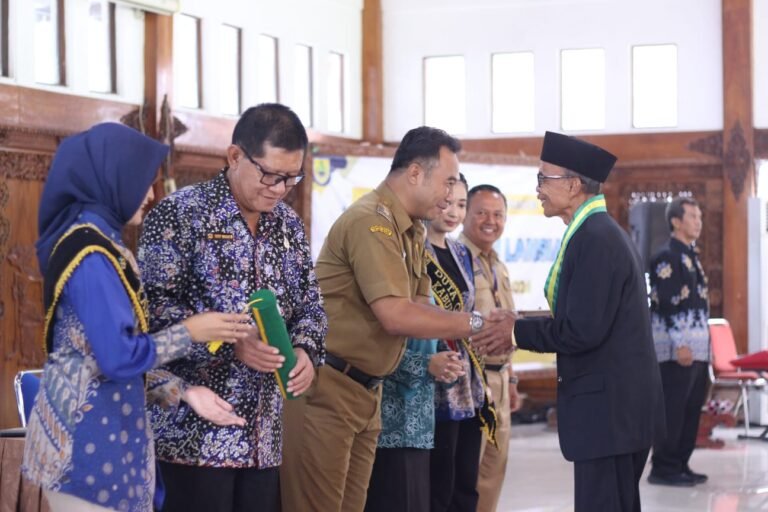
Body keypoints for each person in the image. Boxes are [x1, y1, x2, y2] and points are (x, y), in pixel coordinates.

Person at [280, 126, 513, 512]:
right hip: (328, 389)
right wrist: (478, 324)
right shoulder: (370, 222)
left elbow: (422, 307)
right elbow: (395, 314)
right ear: (416, 174)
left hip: (367, 393)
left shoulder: (409, 232)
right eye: (448, 182)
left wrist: (472, 324)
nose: (450, 196)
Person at [22, 123, 251, 512]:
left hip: (111, 444)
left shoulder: (106, 244)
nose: (149, 195)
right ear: (113, 179)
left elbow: (109, 353)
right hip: (85, 456)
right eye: (143, 182)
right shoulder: (90, 255)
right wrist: (190, 332)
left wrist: (183, 391)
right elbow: (117, 357)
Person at [137, 104, 328, 512]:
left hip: (265, 436)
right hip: (195, 435)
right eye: (270, 175)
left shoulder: (288, 226)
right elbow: (151, 315)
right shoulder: (179, 214)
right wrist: (229, 343)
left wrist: (306, 351)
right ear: (235, 156)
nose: (279, 188)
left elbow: (311, 305)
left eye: (291, 177)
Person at [477, 131, 664, 512]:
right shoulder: (597, 232)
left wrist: (513, 330)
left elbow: (582, 330)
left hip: (609, 414)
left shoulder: (595, 238)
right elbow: (584, 315)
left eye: (545, 179)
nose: (539, 189)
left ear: (575, 185)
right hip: (616, 411)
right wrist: (520, 321)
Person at [428, 175, 497, 512]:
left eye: (460, 205)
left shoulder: (460, 251)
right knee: (438, 480)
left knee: (465, 478)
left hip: (468, 377)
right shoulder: (411, 249)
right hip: (432, 374)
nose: (452, 212)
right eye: (446, 202)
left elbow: (469, 312)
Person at [459, 184, 521, 512]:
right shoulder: (455, 259)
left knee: (494, 472)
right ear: (465, 214)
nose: (490, 221)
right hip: (471, 381)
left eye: (498, 214)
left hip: (499, 379)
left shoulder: (498, 264)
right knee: (468, 474)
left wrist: (510, 381)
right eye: (481, 212)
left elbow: (506, 326)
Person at [647, 196, 710, 487]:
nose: (698, 221)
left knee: (690, 409)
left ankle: (680, 464)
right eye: (693, 216)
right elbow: (666, 305)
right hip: (676, 350)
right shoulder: (666, 256)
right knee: (672, 411)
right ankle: (664, 467)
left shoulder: (691, 255)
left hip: (696, 349)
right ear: (676, 221)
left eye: (699, 216)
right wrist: (679, 343)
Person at [364, 331, 463, 512]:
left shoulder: (426, 305)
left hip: (420, 427)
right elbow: (370, 348)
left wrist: (449, 365)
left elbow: (436, 342)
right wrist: (425, 364)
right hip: (387, 426)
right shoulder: (385, 306)